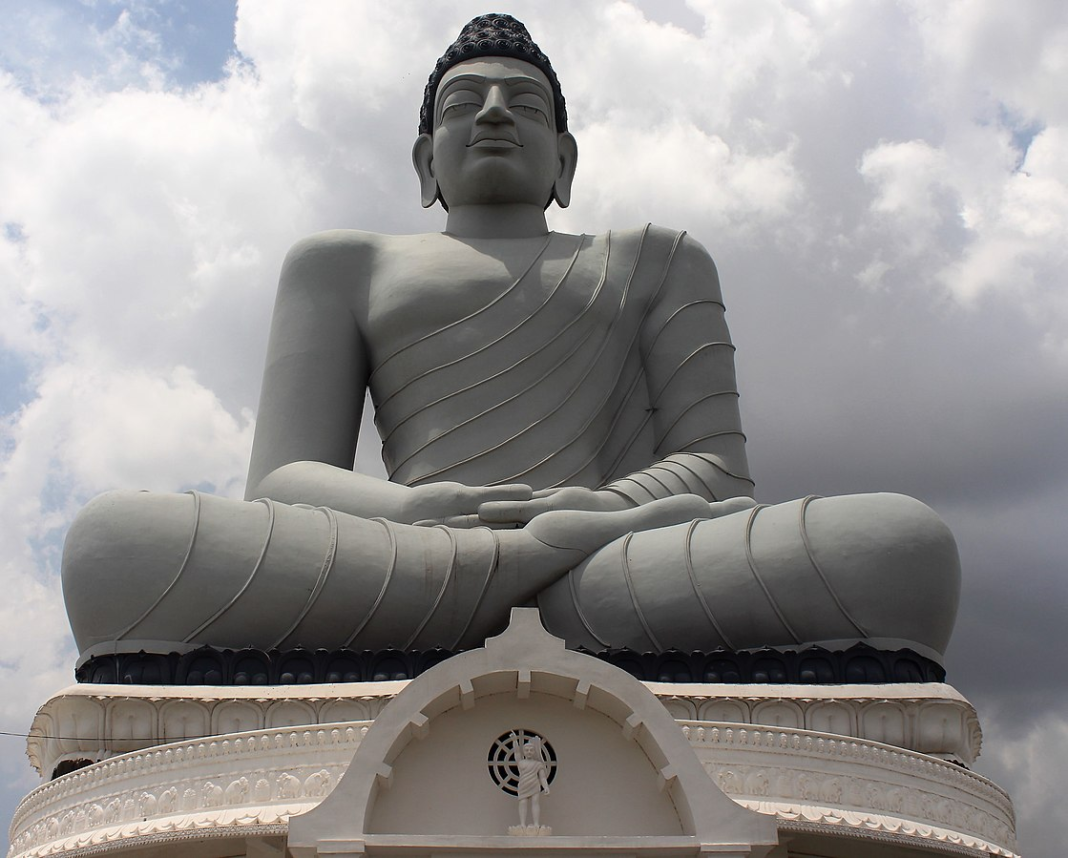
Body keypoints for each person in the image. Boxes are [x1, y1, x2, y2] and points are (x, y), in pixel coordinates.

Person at [61, 14, 959, 672]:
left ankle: (523, 584)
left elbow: (716, 473)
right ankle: (524, 588)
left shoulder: (656, 259)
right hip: (415, 554)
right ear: (426, 164)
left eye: (523, 104)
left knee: (897, 545)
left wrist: (587, 517)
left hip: (618, 555)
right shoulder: (341, 264)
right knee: (115, 546)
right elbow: (286, 483)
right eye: (465, 103)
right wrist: (414, 515)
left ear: (565, 162)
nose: (493, 113)